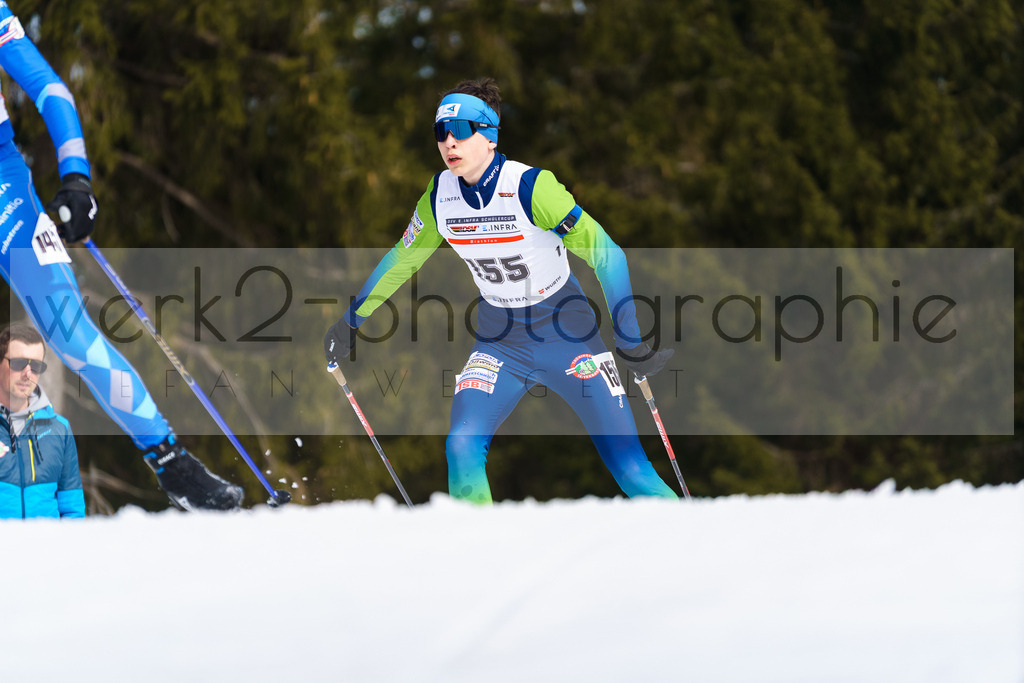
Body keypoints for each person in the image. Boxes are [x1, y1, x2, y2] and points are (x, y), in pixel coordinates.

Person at [324, 78, 678, 503]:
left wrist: (631, 339)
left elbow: (608, 254)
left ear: (489, 136)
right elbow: (404, 259)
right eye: (440, 132)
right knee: (460, 446)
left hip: (569, 336)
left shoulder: (531, 187)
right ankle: (480, 556)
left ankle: (694, 545)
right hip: (499, 342)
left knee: (630, 467)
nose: (449, 142)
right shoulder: (440, 197)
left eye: (462, 130)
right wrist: (352, 321)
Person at [0, 4, 242, 510]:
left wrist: (76, 176)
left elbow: (51, 91)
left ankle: (171, 461)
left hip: (6, 197)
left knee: (70, 334)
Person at [0, 324, 83, 518]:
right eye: (19, 363)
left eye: (36, 366)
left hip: (47, 547)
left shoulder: (59, 429)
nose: (28, 374)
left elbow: (72, 508)